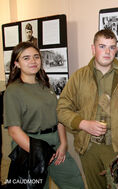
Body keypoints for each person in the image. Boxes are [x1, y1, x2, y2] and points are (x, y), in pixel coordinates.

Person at [56, 29, 118, 189]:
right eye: (102, 46)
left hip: (117, 147)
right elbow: (62, 108)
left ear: (116, 50)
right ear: (93, 48)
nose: (107, 51)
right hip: (88, 146)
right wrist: (83, 123)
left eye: (112, 47)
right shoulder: (79, 77)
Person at [3, 42, 85, 189]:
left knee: (75, 183)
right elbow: (14, 130)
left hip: (56, 145)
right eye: (26, 58)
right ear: (17, 63)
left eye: (36, 57)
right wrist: (40, 153)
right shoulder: (13, 91)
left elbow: (58, 117)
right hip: (30, 147)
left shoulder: (46, 86)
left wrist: (64, 143)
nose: (33, 61)